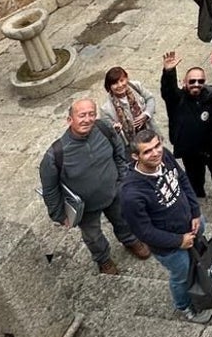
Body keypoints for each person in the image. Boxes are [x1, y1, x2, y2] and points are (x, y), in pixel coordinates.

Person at [40, 99, 151, 275]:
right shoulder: (55, 155)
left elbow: (119, 151)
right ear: (70, 120)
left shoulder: (103, 129)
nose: (88, 119)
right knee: (93, 237)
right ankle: (103, 260)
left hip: (113, 192)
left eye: (91, 114)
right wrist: (59, 215)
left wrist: (122, 178)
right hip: (86, 207)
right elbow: (50, 189)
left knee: (123, 219)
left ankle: (130, 240)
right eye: (82, 115)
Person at [120, 130, 209, 321]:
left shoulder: (164, 155)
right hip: (169, 246)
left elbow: (183, 179)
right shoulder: (132, 194)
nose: (155, 153)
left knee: (199, 253)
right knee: (182, 274)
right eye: (147, 151)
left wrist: (195, 212)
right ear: (136, 156)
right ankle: (185, 306)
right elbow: (144, 232)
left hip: (190, 223)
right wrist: (179, 241)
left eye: (157, 146)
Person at [160, 51, 212, 200]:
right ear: (184, 82)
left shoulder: (211, 95)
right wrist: (169, 72)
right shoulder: (177, 100)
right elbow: (168, 91)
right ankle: (199, 197)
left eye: (200, 81)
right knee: (195, 178)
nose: (196, 84)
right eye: (192, 81)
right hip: (190, 150)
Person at [99, 67, 158, 150]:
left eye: (122, 80)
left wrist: (146, 114)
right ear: (109, 87)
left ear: (127, 78)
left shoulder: (136, 86)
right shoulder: (105, 110)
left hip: (151, 132)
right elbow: (109, 132)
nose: (120, 85)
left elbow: (150, 98)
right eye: (115, 83)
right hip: (131, 145)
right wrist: (116, 129)